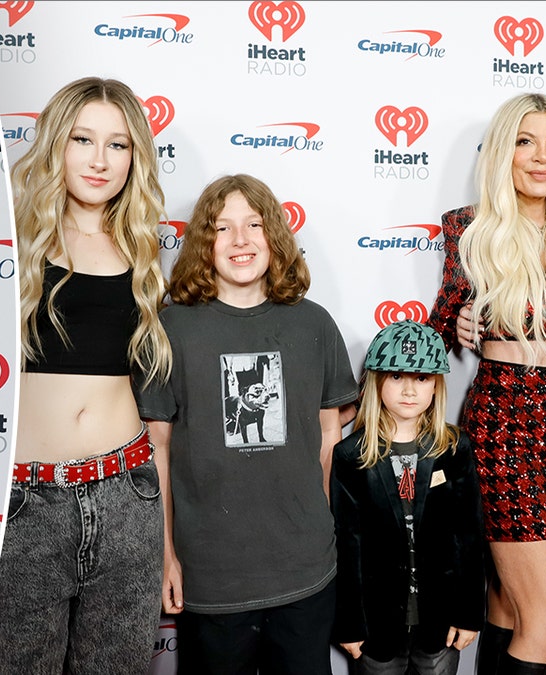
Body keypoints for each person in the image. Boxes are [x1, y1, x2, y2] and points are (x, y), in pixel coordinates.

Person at [0, 76, 172, 673]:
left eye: (118, 145)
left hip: (128, 496)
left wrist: (168, 545)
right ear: (55, 145)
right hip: (25, 504)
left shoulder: (144, 251)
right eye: (83, 139)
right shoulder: (12, 240)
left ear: (134, 158)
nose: (99, 160)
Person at [138, 173, 358, 675]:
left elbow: (329, 437)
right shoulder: (172, 328)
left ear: (274, 235)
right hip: (211, 576)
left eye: (254, 224)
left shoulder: (314, 323)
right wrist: (165, 555)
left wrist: (319, 530)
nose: (240, 240)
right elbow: (158, 450)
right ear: (203, 242)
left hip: (306, 570)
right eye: (223, 227)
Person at [427, 92, 546, 675]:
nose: (542, 157)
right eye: (526, 141)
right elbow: (436, 337)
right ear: (503, 151)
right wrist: (455, 321)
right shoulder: (469, 227)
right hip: (505, 419)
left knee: (509, 601)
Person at [331, 320, 486, 675]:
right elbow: (346, 544)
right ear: (377, 381)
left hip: (440, 624)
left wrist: (468, 615)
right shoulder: (351, 455)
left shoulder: (454, 448)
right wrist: (350, 624)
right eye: (397, 376)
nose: (409, 390)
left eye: (422, 379)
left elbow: (469, 535)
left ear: (436, 386)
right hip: (377, 629)